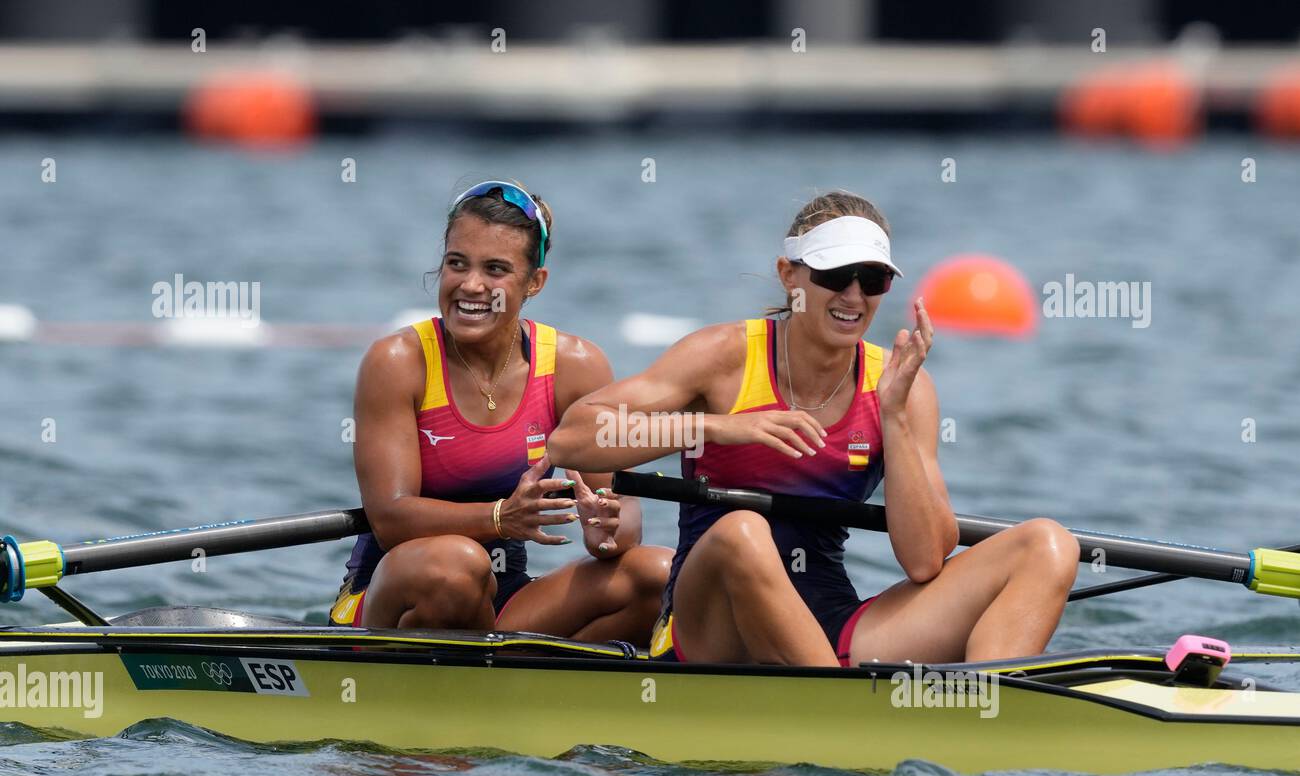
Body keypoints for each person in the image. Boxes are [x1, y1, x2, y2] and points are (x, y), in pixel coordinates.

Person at [547, 190, 1079, 666]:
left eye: (871, 281)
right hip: (712, 625)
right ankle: (840, 708)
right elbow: (574, 439)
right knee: (741, 529)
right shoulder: (725, 355)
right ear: (789, 275)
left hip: (831, 619)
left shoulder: (901, 385)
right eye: (832, 277)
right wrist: (716, 428)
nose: (852, 296)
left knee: (1048, 545)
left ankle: (987, 716)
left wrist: (892, 415)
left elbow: (923, 560)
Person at [330, 180, 671, 644]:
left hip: (502, 603)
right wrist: (498, 519)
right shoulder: (396, 362)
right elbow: (390, 520)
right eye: (456, 264)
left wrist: (607, 531)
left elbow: (623, 512)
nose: (471, 285)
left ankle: (519, 686)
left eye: (495, 270)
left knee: (656, 573)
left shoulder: (577, 366)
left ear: (535, 282)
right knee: (457, 566)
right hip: (393, 594)